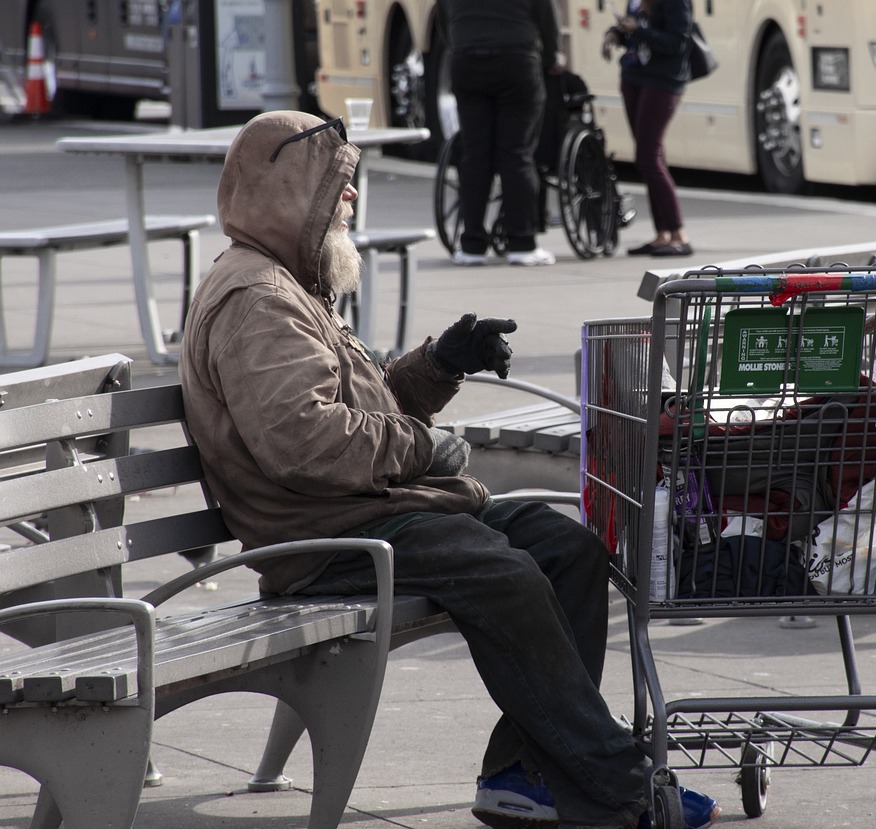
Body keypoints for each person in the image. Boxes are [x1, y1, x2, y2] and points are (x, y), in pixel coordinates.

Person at [179, 111, 720, 829]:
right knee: (503, 571)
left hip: (368, 507)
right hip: (321, 535)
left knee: (566, 548)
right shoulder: (258, 300)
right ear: (289, 194)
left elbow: (357, 410)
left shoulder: (290, 283)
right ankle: (618, 783)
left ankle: (522, 772)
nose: (350, 202)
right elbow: (305, 444)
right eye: (338, 189)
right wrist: (424, 448)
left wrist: (440, 366)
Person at [441, 0, 561, 267]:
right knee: (517, 154)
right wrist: (552, 57)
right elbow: (547, 18)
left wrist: (462, 46)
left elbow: (443, 20)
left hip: (467, 60)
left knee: (475, 154)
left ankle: (472, 245)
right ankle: (522, 243)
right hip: (517, 60)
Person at [603, 0, 695, 258]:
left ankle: (679, 234)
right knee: (651, 158)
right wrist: (615, 34)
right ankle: (662, 233)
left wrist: (638, 30)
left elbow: (677, 42)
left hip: (663, 81)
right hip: (634, 76)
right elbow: (635, 29)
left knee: (647, 157)